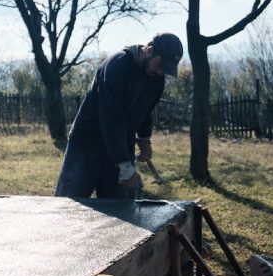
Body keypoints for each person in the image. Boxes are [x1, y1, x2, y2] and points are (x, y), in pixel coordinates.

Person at [54, 33, 183, 199]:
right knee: (67, 206)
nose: (160, 72)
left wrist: (145, 139)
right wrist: (125, 167)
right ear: (149, 51)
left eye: (164, 69)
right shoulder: (117, 66)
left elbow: (146, 110)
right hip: (86, 147)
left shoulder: (156, 78)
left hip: (121, 147)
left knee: (121, 210)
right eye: (159, 65)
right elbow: (110, 119)